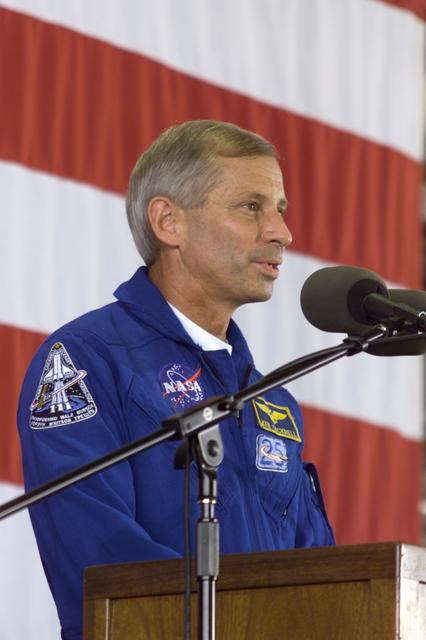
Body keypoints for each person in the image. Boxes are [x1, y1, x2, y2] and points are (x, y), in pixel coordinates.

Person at [18, 120, 334, 640]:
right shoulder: (85, 361)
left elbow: (316, 579)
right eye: (251, 207)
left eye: (280, 209)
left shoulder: (270, 401)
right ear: (168, 222)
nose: (282, 232)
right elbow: (102, 564)